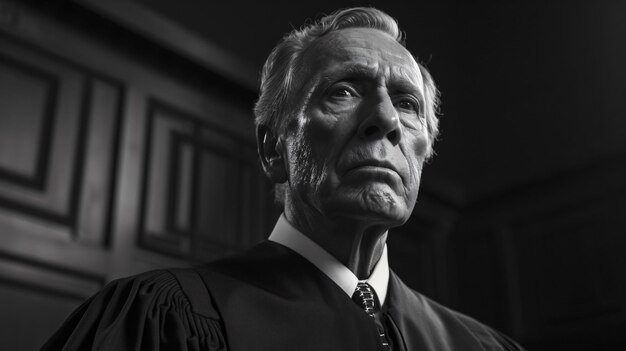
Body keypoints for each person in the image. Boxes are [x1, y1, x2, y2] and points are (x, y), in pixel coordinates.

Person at [41, 7, 524, 351]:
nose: (386, 119)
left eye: (407, 103)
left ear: (423, 149)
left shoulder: (481, 345)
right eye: (344, 90)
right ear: (274, 148)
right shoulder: (165, 321)